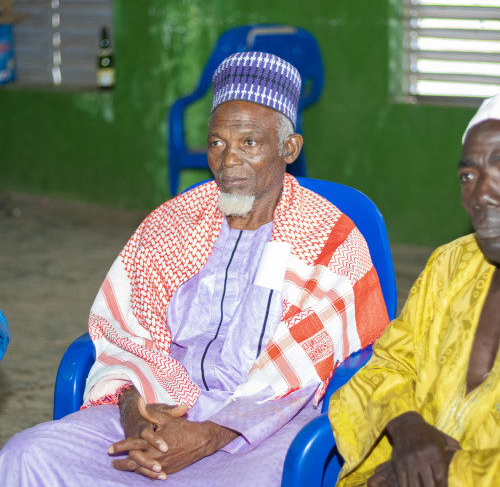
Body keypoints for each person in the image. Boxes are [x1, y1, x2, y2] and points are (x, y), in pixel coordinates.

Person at [0, 51, 389, 486]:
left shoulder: (330, 240)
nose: (227, 161)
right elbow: (123, 333)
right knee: (26, 456)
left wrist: (207, 435)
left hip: (261, 427)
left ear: (289, 147)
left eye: (250, 143)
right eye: (217, 143)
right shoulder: (172, 222)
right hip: (159, 405)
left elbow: (304, 373)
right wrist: (135, 415)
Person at [329, 92, 500, 487]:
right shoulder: (449, 265)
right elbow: (388, 364)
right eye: (469, 176)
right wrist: (407, 429)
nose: (482, 195)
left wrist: (443, 472)